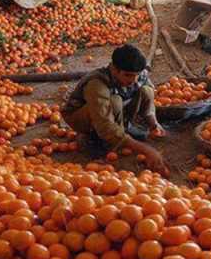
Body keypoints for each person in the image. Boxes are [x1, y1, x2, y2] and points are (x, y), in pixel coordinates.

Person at [62, 44, 169, 175]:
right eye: (128, 75)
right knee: (115, 102)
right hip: (81, 117)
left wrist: (153, 123)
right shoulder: (97, 83)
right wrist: (146, 150)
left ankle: (123, 130)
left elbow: (147, 97)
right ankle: (91, 139)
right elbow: (104, 124)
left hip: (111, 112)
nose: (133, 80)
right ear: (114, 69)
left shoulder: (137, 73)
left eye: (137, 75)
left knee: (146, 90)